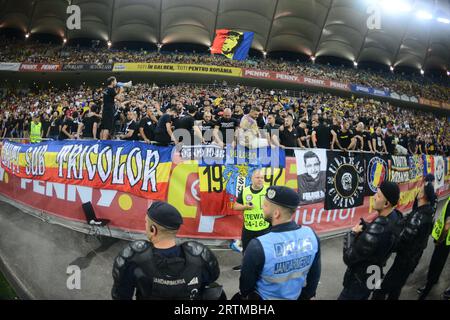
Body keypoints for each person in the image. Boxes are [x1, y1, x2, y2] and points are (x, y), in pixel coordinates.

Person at [111, 201, 224, 300]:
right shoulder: (200, 258)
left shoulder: (133, 259)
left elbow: (121, 295)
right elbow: (211, 280)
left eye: (146, 222)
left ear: (152, 230)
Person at [235, 186, 321, 300]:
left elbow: (246, 287)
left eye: (265, 205)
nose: (261, 207)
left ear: (276, 214)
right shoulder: (311, 235)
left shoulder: (258, 245)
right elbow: (314, 277)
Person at [372, 176, 436, 300]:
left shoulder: (418, 216)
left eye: (420, 188)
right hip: (412, 260)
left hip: (403, 261)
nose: (418, 189)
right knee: (396, 289)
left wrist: (386, 242)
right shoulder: (428, 212)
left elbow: (403, 240)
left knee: (381, 289)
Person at [338, 181, 402, 300]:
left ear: (386, 203)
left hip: (358, 281)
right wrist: (368, 228)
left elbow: (348, 257)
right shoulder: (395, 218)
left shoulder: (376, 232)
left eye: (377, 195)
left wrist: (351, 234)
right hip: (375, 272)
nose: (373, 197)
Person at [417, 196, 450, 299]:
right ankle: (434, 280)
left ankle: (427, 287)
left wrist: (439, 240)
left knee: (435, 264)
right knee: (440, 262)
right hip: (447, 241)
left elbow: (448, 224)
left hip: (444, 240)